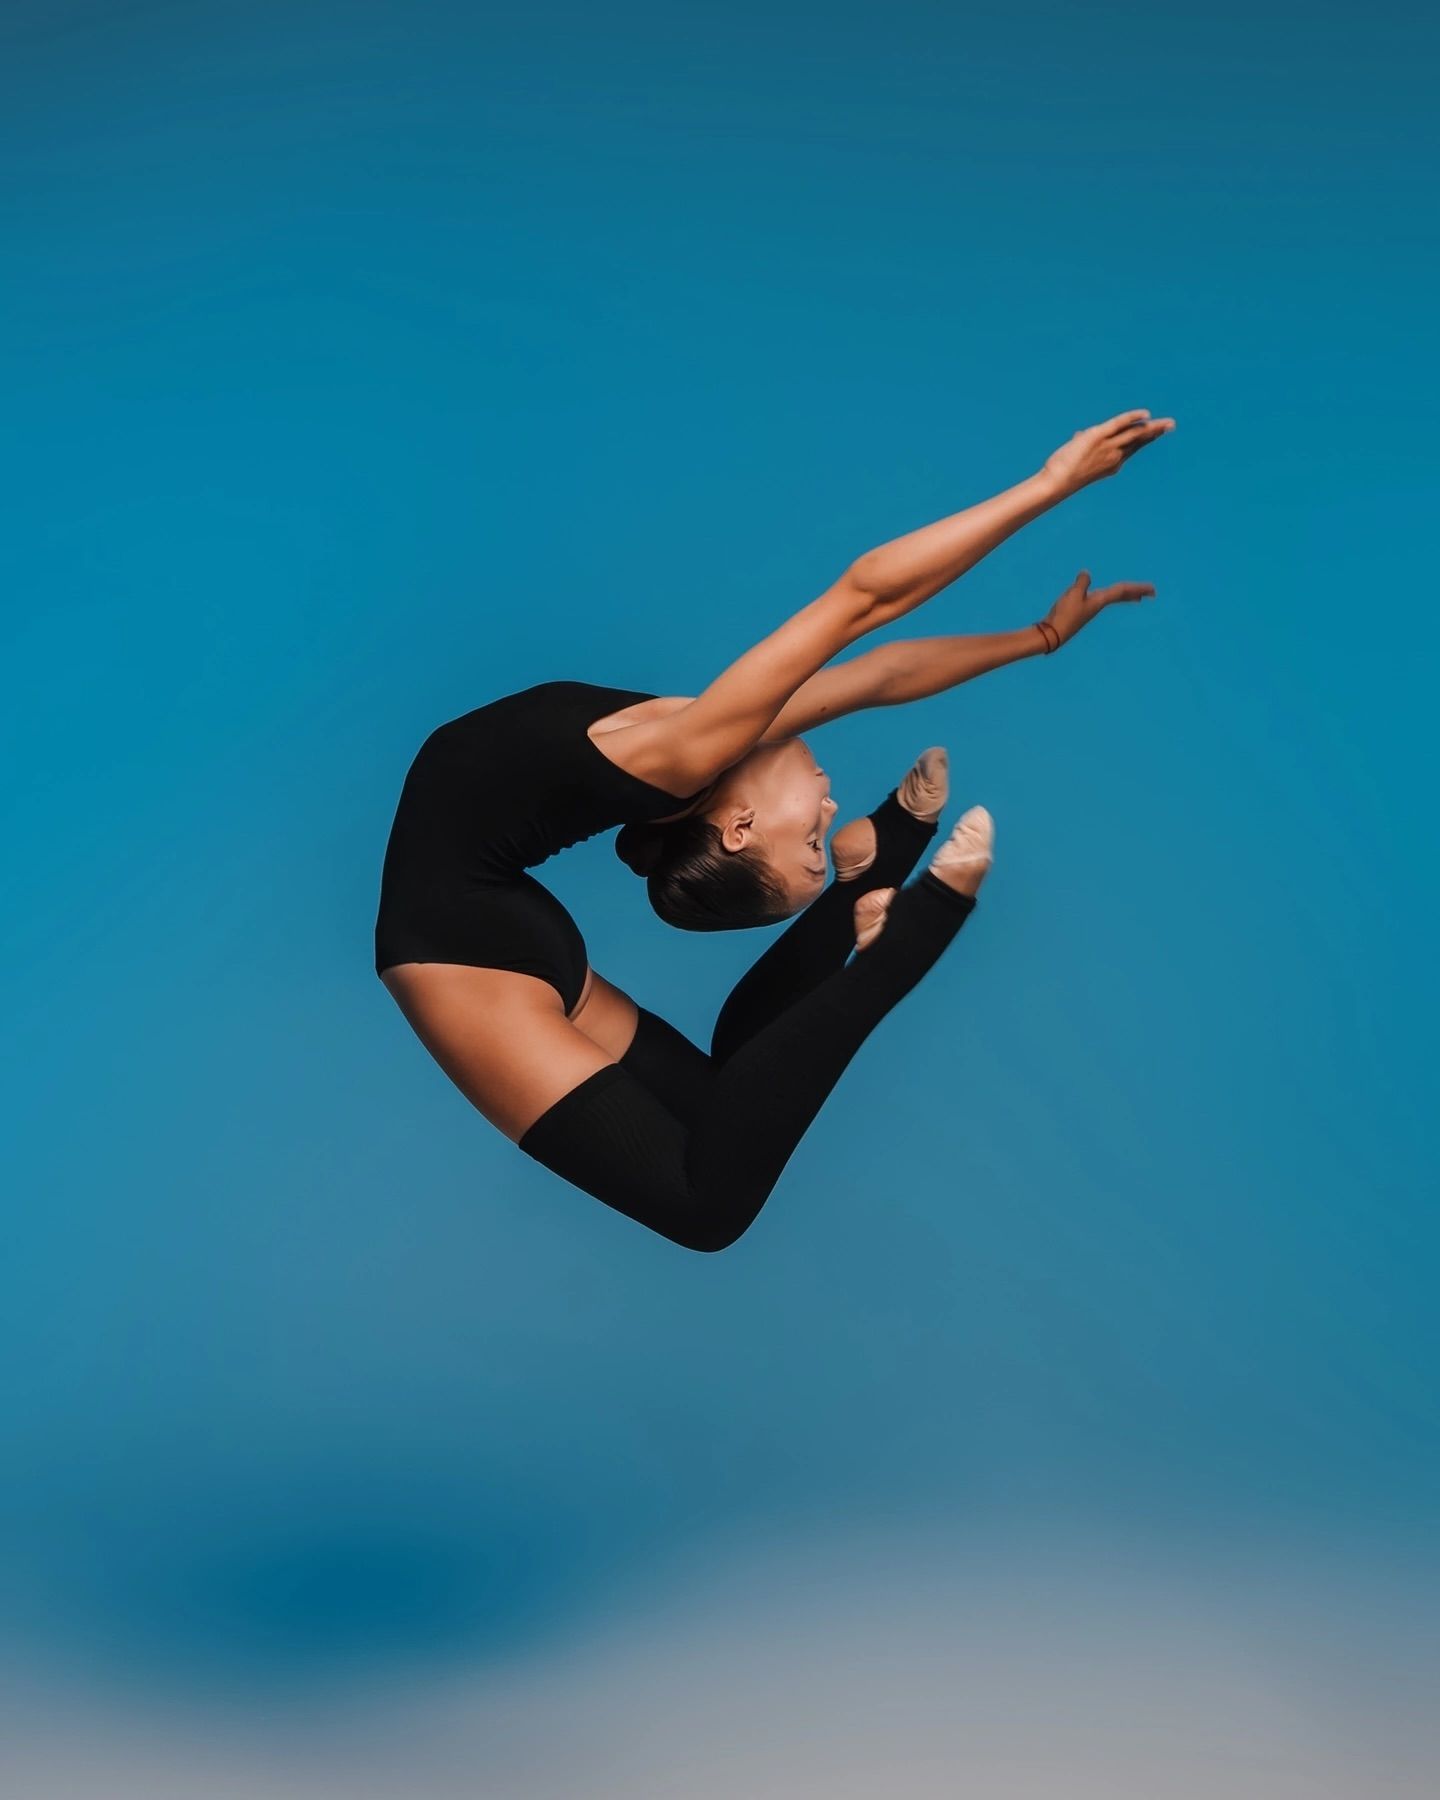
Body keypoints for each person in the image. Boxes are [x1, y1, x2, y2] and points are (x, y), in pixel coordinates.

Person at [375, 409, 1174, 1249]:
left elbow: (871, 621)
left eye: (811, 843)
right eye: (824, 842)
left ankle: (872, 890)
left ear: (740, 827)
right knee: (711, 1177)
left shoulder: (697, 752)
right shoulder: (699, 751)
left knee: (714, 1170)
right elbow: (874, 653)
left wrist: (1049, 533)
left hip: (463, 948)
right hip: (483, 942)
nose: (828, 809)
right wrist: (1042, 583)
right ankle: (890, 925)